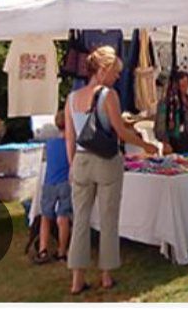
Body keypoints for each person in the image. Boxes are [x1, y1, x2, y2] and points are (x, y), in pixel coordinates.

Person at [66, 46, 159, 295]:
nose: (118, 76)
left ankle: (77, 279)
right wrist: (145, 144)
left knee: (81, 221)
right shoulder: (109, 95)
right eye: (116, 72)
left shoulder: (72, 98)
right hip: (106, 161)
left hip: (81, 162)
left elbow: (69, 138)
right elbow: (120, 130)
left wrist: (71, 165)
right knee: (108, 219)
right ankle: (106, 275)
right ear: (104, 70)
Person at [35, 112, 71, 265]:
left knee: (46, 216)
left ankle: (43, 250)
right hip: (65, 183)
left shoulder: (50, 144)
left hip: (50, 182)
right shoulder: (71, 144)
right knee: (63, 218)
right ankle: (62, 251)